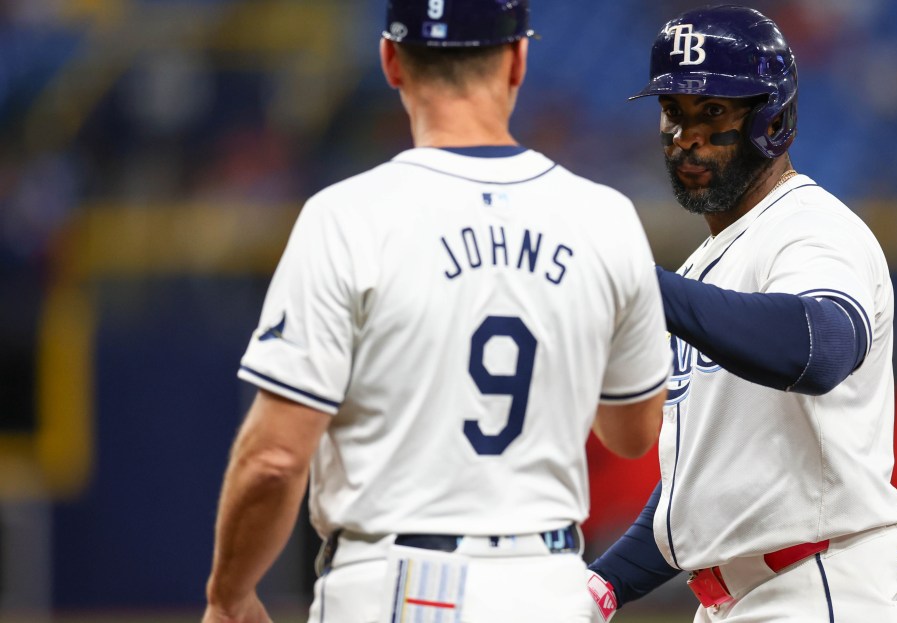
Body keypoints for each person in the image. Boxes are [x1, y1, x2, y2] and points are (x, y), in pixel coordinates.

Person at [201, 1, 670, 621]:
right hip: (549, 586)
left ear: (391, 60)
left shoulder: (348, 216)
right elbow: (633, 434)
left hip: (399, 583)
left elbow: (274, 459)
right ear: (518, 60)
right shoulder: (605, 217)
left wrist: (229, 594)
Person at [584, 5, 897, 622]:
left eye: (714, 113)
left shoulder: (811, 227)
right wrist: (605, 586)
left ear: (773, 120)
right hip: (757, 594)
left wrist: (645, 287)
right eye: (674, 111)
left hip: (825, 584)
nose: (687, 136)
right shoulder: (709, 264)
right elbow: (699, 493)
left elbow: (820, 349)